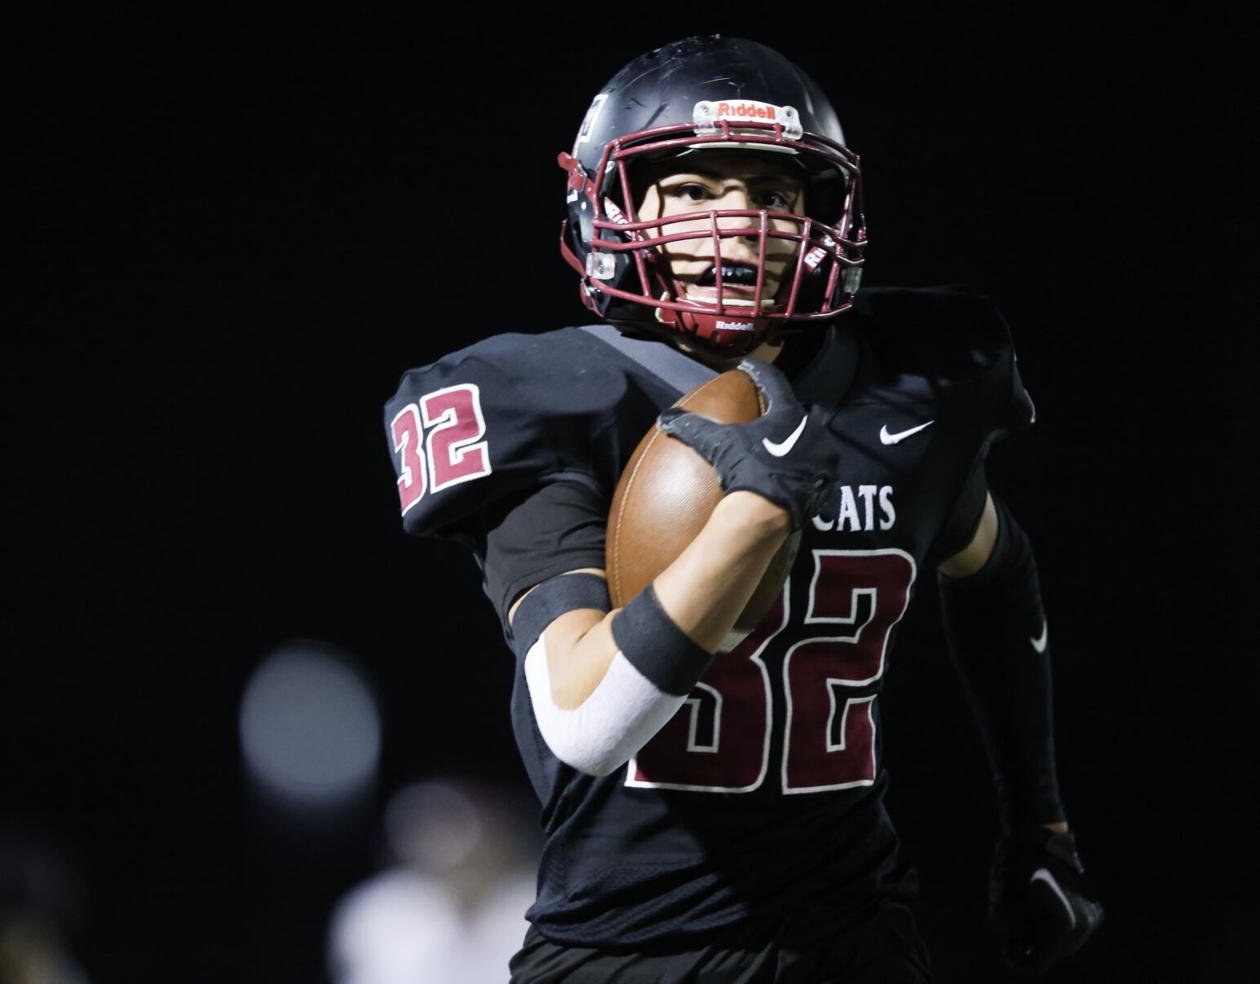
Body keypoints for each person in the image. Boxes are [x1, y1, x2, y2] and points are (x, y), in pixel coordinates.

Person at [383, 35, 1103, 982]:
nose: (741, 225)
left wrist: (1037, 818)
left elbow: (995, 569)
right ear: (613, 205)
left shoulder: (908, 385)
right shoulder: (555, 398)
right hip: (631, 951)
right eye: (692, 191)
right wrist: (754, 516)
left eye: (774, 194)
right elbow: (587, 724)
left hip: (856, 938)